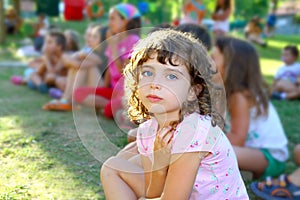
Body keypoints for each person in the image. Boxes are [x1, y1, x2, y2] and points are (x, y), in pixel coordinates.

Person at [100, 29, 249, 199]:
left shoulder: (194, 130)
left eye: (171, 76)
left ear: (193, 91)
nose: (155, 84)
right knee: (112, 167)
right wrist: (158, 162)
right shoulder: (148, 130)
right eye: (147, 73)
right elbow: (153, 192)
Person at [211, 36, 289, 179]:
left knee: (217, 152)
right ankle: (239, 169)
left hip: (270, 157)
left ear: (231, 66)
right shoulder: (228, 92)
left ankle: (239, 168)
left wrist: (208, 146)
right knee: (217, 151)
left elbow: (237, 137)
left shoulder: (239, 96)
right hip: (251, 151)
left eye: (213, 58)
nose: (207, 62)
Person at [73, 3, 141, 119]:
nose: (109, 23)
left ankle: (115, 107)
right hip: (112, 91)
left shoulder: (134, 41)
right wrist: (103, 89)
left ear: (125, 21)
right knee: (78, 93)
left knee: (108, 110)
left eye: (113, 19)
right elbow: (111, 68)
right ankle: (112, 107)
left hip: (125, 93)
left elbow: (122, 71)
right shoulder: (113, 40)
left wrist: (114, 47)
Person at [42, 25, 107, 111]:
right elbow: (70, 62)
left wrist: (80, 55)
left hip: (100, 88)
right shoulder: (90, 52)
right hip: (90, 86)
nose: (90, 39)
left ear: (103, 41)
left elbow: (77, 64)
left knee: (83, 67)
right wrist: (77, 56)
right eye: (90, 36)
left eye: (94, 37)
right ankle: (65, 98)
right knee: (75, 67)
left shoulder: (103, 55)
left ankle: (69, 100)